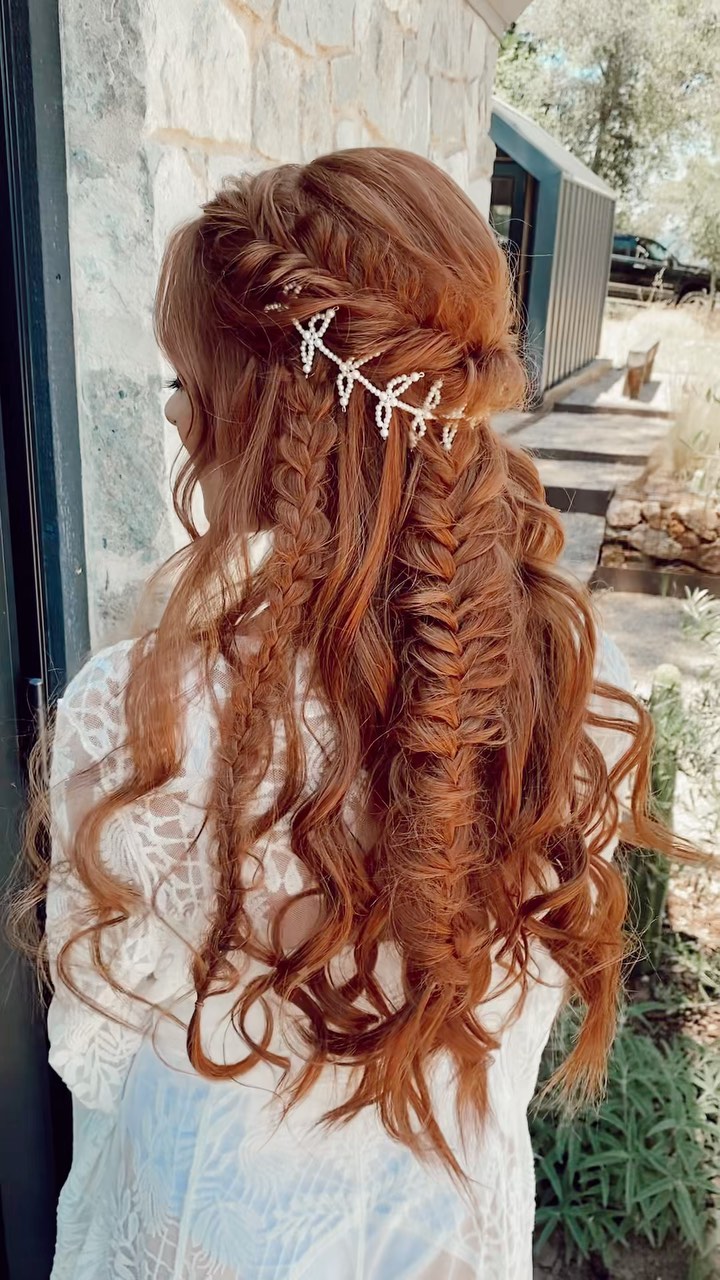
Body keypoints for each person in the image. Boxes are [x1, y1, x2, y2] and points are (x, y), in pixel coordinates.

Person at [17, 148, 686, 1279]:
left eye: (186, 379)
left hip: (207, 1230)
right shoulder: (585, 687)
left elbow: (101, 1043)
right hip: (446, 1230)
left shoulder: (137, 720)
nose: (175, 413)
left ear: (263, 413)